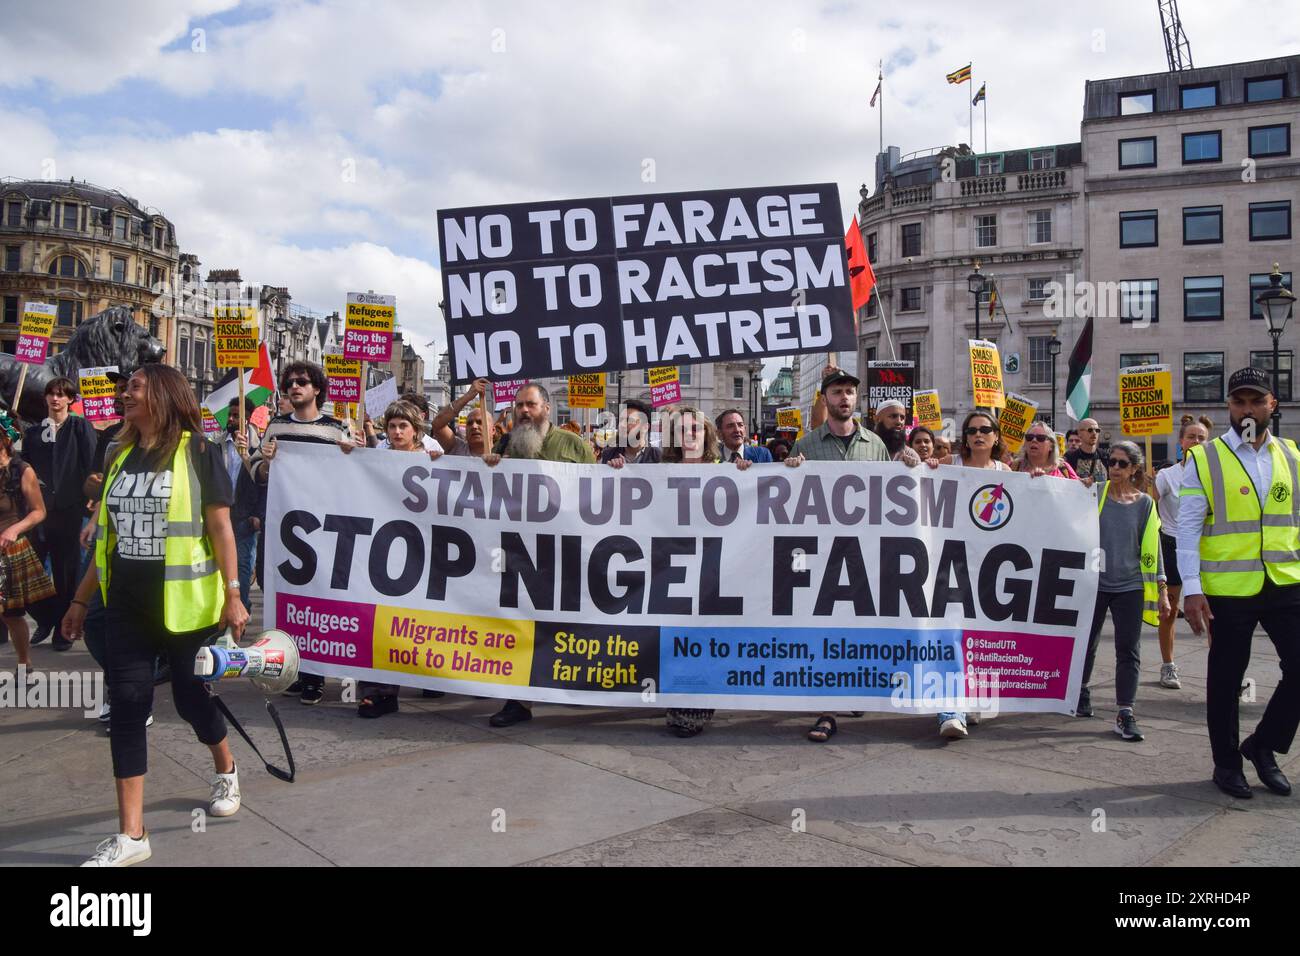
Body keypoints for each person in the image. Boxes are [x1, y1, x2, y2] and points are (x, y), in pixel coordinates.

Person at [61, 364, 248, 867]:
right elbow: (107, 537)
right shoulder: (118, 454)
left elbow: (221, 530)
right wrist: (81, 600)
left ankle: (226, 766)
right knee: (126, 703)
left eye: (136, 388)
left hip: (186, 605)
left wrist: (234, 593)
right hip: (125, 601)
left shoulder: (199, 451)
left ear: (163, 394)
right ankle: (132, 835)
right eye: (126, 389)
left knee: (190, 699)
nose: (125, 394)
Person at [1180, 368, 1300, 799]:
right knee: (1227, 679)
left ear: (1273, 405)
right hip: (1228, 589)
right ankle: (1227, 764)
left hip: (1285, 581)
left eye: (1255, 401)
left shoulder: (1291, 454)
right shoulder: (1205, 458)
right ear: (1228, 407)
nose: (1246, 409)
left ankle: (1263, 745)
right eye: (1238, 402)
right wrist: (1191, 588)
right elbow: (1189, 528)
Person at [785, 368, 889, 743]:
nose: (844, 398)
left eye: (849, 392)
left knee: (859, 625)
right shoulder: (806, 446)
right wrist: (790, 472)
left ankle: (854, 686)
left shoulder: (875, 445)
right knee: (826, 628)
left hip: (863, 553)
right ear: (825, 399)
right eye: (837, 392)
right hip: (823, 555)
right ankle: (826, 710)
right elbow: (790, 501)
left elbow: (891, 497)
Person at [488, 383, 594, 727]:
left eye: (530, 404)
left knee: (563, 625)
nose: (523, 411)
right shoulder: (507, 444)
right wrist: (487, 466)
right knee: (520, 624)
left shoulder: (572, 444)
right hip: (519, 552)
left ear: (546, 408)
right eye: (519, 405)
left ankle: (570, 684)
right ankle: (518, 700)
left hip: (564, 552)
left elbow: (602, 493)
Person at [250, 361, 353, 705]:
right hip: (284, 527)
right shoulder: (275, 427)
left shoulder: (335, 430)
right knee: (284, 598)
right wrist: (265, 463)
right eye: (290, 382)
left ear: (317, 389)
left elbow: (352, 477)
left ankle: (314, 675)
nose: (295, 387)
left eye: (302, 382)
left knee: (317, 599)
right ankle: (293, 668)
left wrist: (357, 452)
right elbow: (257, 471)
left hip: (321, 529)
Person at [338, 400, 433, 718]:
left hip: (415, 553)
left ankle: (394, 688)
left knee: (402, 626)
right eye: (391, 426)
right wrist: (350, 457)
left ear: (415, 431)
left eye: (402, 426)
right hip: (379, 549)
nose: (395, 432)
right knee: (373, 622)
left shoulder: (429, 458)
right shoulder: (376, 457)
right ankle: (373, 693)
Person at [923, 411, 1011, 738]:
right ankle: (950, 710)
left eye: (985, 430)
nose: (978, 435)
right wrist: (926, 467)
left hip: (990, 566)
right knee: (952, 635)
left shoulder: (1006, 472)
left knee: (980, 637)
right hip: (952, 564)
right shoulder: (950, 464)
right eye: (972, 430)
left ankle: (973, 700)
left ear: (996, 436)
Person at [1077, 441, 1168, 742]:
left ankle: (1125, 712)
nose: (1114, 468)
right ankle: (1080, 692)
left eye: (1121, 463)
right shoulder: (1094, 492)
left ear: (1134, 469)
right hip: (1095, 583)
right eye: (1111, 462)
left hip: (1131, 586)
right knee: (1086, 644)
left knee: (1128, 650)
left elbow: (1154, 548)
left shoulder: (1145, 504)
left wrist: (1163, 588)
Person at [23, 376, 97, 650]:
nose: (55, 399)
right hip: (39, 513)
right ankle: (48, 616)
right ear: (45, 398)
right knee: (28, 573)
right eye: (51, 394)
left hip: (70, 510)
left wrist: (91, 498)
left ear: (70, 400)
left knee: (66, 574)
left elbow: (91, 464)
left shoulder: (80, 427)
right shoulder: (34, 432)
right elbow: (26, 471)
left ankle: (63, 631)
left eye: (61, 394)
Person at [1152, 418, 1209, 689]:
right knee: (1170, 611)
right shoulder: (1167, 475)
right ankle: (1168, 665)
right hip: (1172, 544)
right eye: (1191, 437)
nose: (1196, 442)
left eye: (1201, 438)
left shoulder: (1214, 475)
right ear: (1181, 443)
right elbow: (1147, 505)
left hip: (1204, 547)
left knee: (1213, 613)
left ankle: (1222, 667)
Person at [0, 423, 53, 669]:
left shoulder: (21, 470)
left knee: (11, 615)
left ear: (5, 440)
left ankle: (24, 663)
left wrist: (15, 529)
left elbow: (39, 511)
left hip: (9, 550)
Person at [218, 397, 261, 614]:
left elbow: (261, 481)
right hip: (221, 516)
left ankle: (242, 610)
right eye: (230, 415)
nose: (232, 419)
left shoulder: (259, 446)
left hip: (245, 519)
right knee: (222, 569)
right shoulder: (217, 445)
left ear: (248, 418)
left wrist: (256, 515)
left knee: (243, 571)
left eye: (237, 416)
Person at [367, 391, 443, 452]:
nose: (397, 431)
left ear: (415, 429)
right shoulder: (381, 449)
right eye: (392, 426)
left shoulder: (432, 452)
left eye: (403, 426)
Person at [601, 399, 662, 465]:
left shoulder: (658, 458)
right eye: (621, 420)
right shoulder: (608, 455)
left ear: (645, 427)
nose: (622, 425)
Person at [873, 400, 920, 464]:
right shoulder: (866, 449)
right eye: (893, 416)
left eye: (902, 418)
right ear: (877, 419)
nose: (899, 422)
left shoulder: (910, 454)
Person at [1064, 418, 1105, 486]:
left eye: (1097, 430)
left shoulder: (1105, 456)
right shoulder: (1069, 458)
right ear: (1080, 433)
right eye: (1090, 430)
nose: (1094, 433)